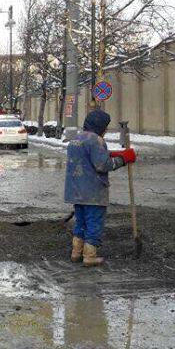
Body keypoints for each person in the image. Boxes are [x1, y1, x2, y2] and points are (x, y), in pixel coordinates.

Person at [64, 109, 137, 266]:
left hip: (76, 191)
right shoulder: (96, 140)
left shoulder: (76, 139)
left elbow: (89, 156)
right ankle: (89, 256)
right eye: (105, 127)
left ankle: (76, 252)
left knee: (81, 222)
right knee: (94, 223)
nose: (105, 130)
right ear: (100, 126)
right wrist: (124, 159)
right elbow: (102, 165)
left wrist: (113, 153)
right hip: (93, 192)